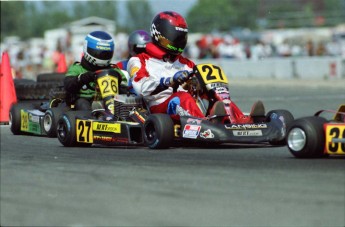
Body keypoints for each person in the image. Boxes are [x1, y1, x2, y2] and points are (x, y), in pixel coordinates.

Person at [127, 11, 263, 123]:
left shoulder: (186, 63)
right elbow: (141, 87)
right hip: (159, 108)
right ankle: (204, 123)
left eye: (180, 37)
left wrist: (198, 85)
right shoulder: (139, 60)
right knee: (181, 97)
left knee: (213, 95)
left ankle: (240, 119)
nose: (178, 41)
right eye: (174, 37)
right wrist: (169, 81)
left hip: (188, 105)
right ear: (159, 35)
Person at [64, 31, 126, 118]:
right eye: (99, 53)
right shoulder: (77, 68)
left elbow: (125, 90)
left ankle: (116, 117)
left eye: (105, 54)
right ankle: (90, 121)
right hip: (84, 103)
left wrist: (118, 83)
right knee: (82, 103)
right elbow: (68, 85)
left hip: (109, 102)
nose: (102, 56)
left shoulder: (114, 70)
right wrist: (83, 78)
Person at [116, 30, 151, 94]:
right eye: (139, 51)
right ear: (131, 48)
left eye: (146, 51)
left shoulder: (154, 65)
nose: (143, 54)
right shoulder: (120, 66)